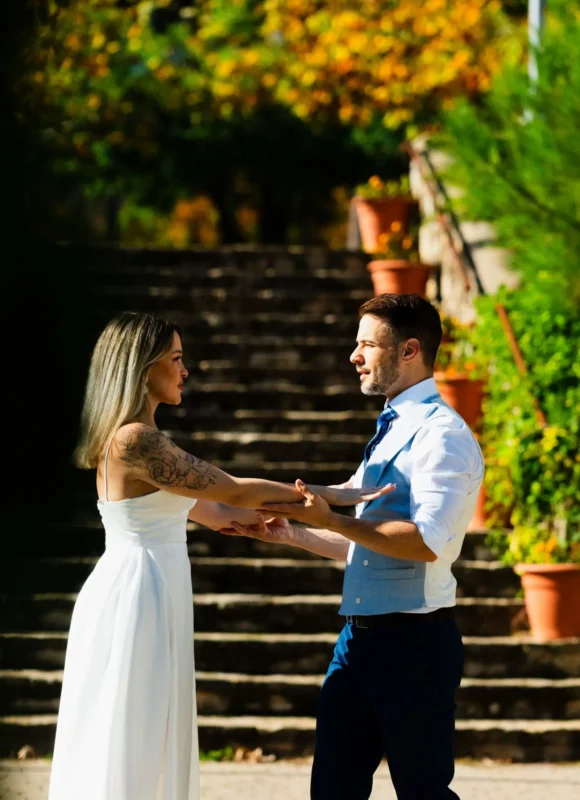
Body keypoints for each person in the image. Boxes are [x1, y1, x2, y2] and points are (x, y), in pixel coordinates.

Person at [48, 311, 391, 800]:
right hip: (137, 592)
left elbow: (208, 507)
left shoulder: (135, 437)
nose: (185, 370)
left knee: (146, 724)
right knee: (135, 725)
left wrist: (254, 521)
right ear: (143, 367)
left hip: (149, 583)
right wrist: (328, 495)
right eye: (176, 359)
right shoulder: (134, 439)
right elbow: (231, 489)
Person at [225, 294, 484, 800]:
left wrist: (333, 520)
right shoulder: (391, 430)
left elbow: (427, 541)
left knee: (423, 792)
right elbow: (361, 542)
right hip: (357, 643)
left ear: (409, 350)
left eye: (367, 343)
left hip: (415, 645)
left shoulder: (442, 435)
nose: (354, 355)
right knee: (333, 791)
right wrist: (291, 531)